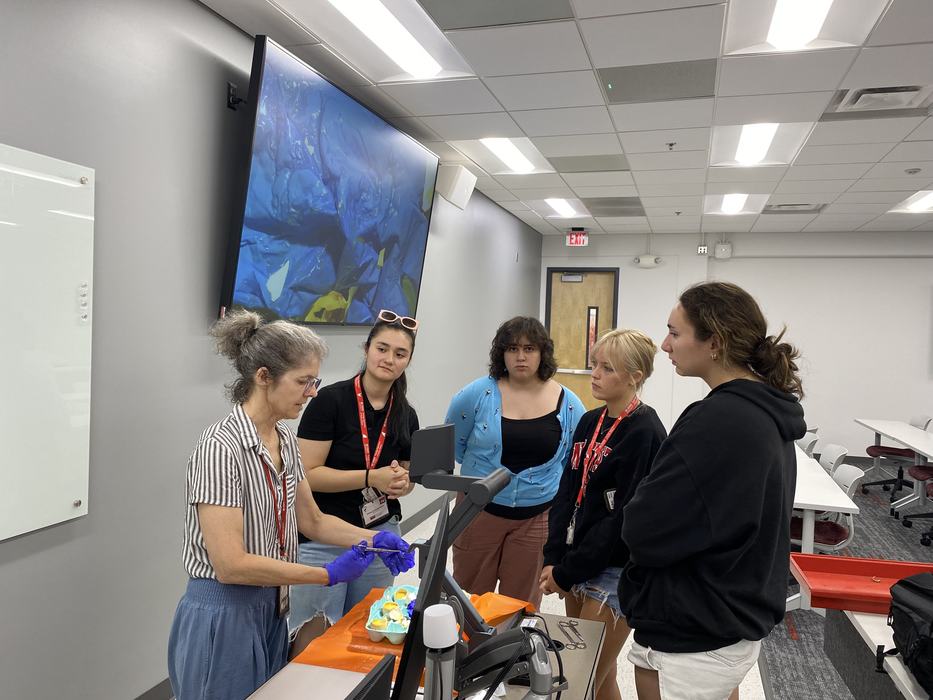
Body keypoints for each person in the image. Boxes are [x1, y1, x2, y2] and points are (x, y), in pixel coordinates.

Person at [167, 310, 415, 700]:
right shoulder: (220, 449)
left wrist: (375, 539)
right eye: (303, 381)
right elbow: (230, 564)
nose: (312, 391)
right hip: (224, 610)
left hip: (270, 604)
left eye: (314, 381)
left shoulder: (283, 439)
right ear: (263, 377)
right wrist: (326, 575)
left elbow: (313, 521)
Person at [620, 282, 806, 700]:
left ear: (715, 343)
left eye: (675, 332)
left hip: (693, 634)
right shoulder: (764, 410)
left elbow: (643, 529)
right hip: (731, 616)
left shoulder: (716, 421)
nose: (665, 345)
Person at [540, 329, 667, 700]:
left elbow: (624, 519)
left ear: (634, 377)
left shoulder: (645, 431)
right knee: (600, 678)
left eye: (607, 368)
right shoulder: (589, 420)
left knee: (578, 680)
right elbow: (567, 491)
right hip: (578, 560)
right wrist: (555, 557)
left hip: (615, 570)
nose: (594, 373)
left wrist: (566, 570)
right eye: (594, 364)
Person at [290, 309, 420, 629]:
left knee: (368, 624)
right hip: (323, 532)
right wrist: (370, 477)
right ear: (366, 349)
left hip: (380, 530)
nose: (389, 358)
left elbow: (408, 476)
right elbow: (308, 475)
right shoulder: (329, 401)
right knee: (316, 632)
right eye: (382, 348)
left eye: (400, 353)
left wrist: (403, 483)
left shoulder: (405, 413)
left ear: (408, 361)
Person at [446, 316, 584, 608]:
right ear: (501, 354)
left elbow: (574, 461)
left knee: (519, 604)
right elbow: (455, 447)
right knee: (468, 601)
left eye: (530, 349)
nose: (520, 356)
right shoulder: (474, 395)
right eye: (512, 349)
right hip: (477, 513)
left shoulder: (569, 403)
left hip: (537, 519)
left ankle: (510, 655)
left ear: (542, 353)